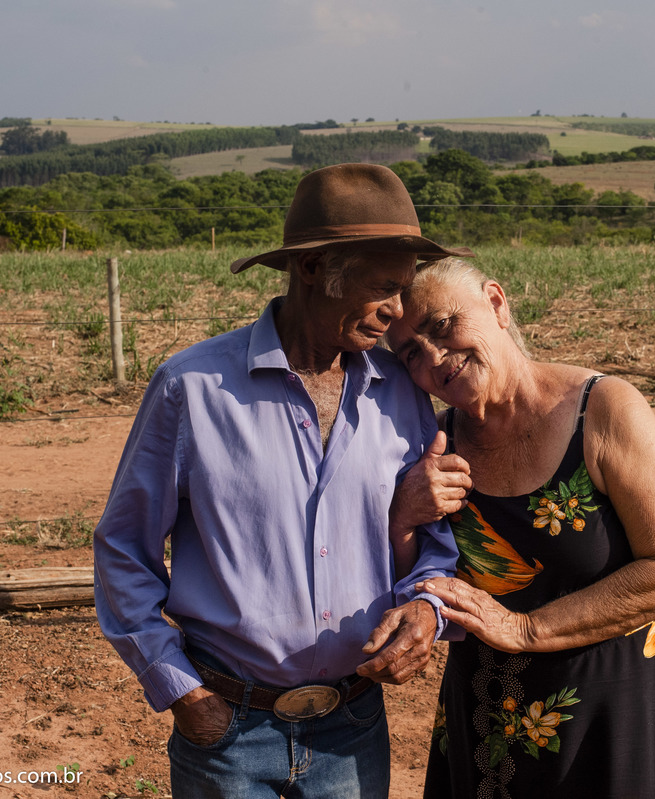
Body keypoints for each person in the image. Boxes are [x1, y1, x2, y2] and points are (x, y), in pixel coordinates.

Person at [93, 163, 475, 798]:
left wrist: (425, 609)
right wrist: (178, 686)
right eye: (385, 286)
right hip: (226, 728)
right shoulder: (192, 389)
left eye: (405, 289)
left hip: (353, 723)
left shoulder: (401, 396)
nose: (398, 312)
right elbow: (123, 549)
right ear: (313, 269)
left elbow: (432, 540)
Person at [385, 257, 655, 799]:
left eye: (443, 327)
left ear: (495, 302)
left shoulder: (602, 411)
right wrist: (404, 516)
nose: (436, 358)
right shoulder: (434, 448)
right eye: (411, 353)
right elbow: (416, 582)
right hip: (489, 718)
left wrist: (525, 630)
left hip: (614, 715)